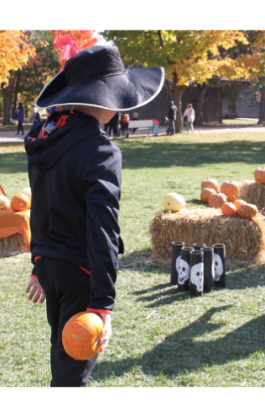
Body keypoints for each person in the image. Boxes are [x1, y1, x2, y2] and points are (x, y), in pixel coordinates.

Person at [22, 45, 164, 386]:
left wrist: (38, 262)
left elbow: (40, 205)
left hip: (49, 267)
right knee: (72, 376)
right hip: (80, 272)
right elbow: (103, 227)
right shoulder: (100, 149)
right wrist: (103, 304)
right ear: (106, 97)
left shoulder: (45, 137)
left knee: (63, 359)